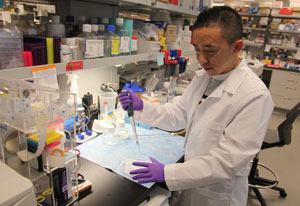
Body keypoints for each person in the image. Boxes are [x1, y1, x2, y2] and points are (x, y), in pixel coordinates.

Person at [118, 6, 274, 206]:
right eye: (198, 50)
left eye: (210, 51)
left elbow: (226, 162)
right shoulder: (204, 77)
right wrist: (142, 107)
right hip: (189, 183)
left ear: (237, 47)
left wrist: (167, 173)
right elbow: (178, 114)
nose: (201, 60)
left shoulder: (254, 96)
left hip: (218, 195)